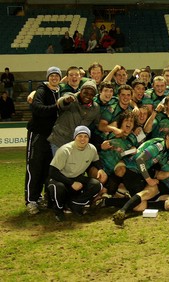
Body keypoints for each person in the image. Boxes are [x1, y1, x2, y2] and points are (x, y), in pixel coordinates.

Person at [112, 145, 169, 226]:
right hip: (159, 185)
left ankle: (141, 202)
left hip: (167, 193)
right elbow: (160, 175)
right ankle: (122, 211)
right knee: (145, 195)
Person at [48, 126, 106, 221]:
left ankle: (75, 204)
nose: (83, 139)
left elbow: (96, 160)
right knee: (58, 188)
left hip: (76, 177)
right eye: (80, 136)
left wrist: (100, 169)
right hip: (60, 178)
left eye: (85, 136)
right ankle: (58, 210)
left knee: (97, 185)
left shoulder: (92, 149)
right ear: (75, 137)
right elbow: (52, 172)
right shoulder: (65, 150)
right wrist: (71, 183)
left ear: (89, 138)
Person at [24, 67, 62, 215]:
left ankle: (44, 197)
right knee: (34, 167)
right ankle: (31, 200)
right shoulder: (41, 91)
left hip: (52, 137)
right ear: (48, 77)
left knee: (48, 168)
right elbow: (37, 109)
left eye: (57, 75)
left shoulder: (59, 91)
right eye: (51, 75)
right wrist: (56, 106)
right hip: (38, 134)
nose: (54, 78)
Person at [47, 80, 100, 154]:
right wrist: (66, 100)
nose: (88, 96)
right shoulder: (71, 97)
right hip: (59, 141)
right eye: (85, 93)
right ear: (80, 91)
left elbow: (97, 124)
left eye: (91, 94)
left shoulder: (96, 108)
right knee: (59, 165)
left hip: (78, 145)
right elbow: (61, 102)